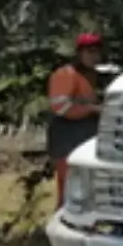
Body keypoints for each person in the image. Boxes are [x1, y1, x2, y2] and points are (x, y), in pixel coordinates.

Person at [46, 32, 104, 205]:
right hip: (67, 136)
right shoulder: (66, 74)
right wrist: (92, 109)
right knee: (69, 188)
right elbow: (61, 107)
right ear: (79, 53)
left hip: (84, 135)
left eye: (96, 52)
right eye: (89, 52)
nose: (94, 56)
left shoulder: (90, 76)